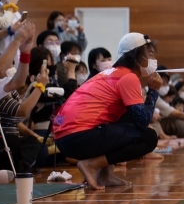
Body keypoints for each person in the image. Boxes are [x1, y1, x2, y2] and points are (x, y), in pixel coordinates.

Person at [53, 33, 161, 190]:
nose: (153, 59)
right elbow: (143, 120)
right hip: (78, 137)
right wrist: (153, 92)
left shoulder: (109, 73)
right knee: (149, 137)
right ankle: (91, 165)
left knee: (127, 118)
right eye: (149, 54)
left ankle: (106, 175)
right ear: (136, 55)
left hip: (65, 139)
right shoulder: (128, 78)